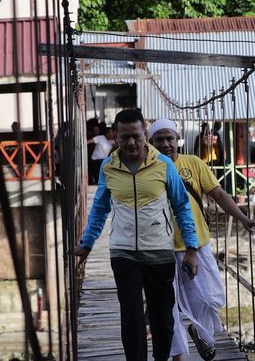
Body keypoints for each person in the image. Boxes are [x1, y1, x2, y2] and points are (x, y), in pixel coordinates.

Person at [75, 109, 200, 361]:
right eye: (124, 138)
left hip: (159, 252)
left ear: (145, 134)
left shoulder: (163, 165)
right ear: (115, 138)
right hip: (123, 253)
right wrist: (88, 243)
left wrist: (191, 248)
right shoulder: (109, 167)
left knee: (162, 318)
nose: (131, 143)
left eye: (136, 136)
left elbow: (181, 206)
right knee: (131, 317)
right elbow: (100, 207)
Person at [149, 118, 255, 361]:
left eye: (170, 138)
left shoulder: (194, 163)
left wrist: (243, 218)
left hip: (197, 245)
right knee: (168, 309)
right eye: (159, 139)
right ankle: (179, 356)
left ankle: (199, 331)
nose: (166, 144)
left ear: (177, 139)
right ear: (150, 143)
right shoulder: (147, 169)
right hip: (161, 249)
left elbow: (219, 194)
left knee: (210, 298)